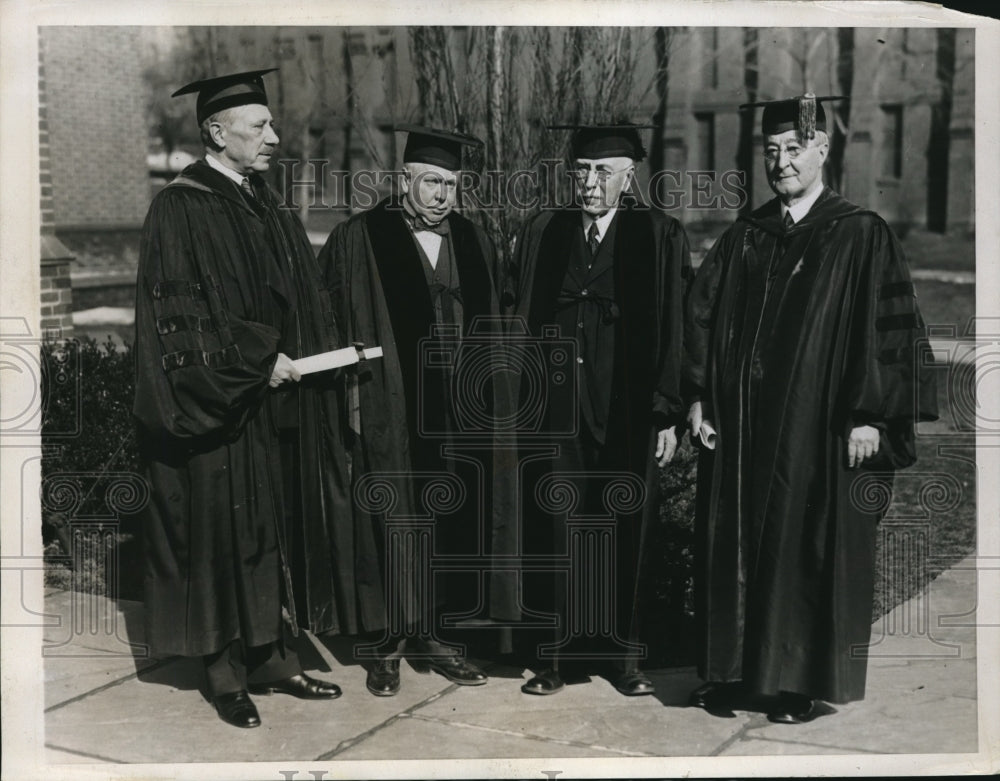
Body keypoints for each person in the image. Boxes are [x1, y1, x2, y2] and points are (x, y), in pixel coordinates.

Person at [684, 94, 938, 723]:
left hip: (816, 431)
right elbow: (700, 321)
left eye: (794, 149)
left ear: (824, 150)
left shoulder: (859, 233)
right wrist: (696, 398)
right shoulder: (747, 234)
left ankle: (797, 684)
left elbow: (891, 336)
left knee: (806, 546)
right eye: (771, 151)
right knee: (738, 548)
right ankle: (738, 675)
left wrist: (871, 416)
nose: (781, 162)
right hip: (740, 432)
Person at [133, 69, 342, 729]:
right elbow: (183, 322)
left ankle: (272, 654)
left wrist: (314, 354)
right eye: (260, 127)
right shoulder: (180, 206)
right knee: (219, 533)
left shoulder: (262, 197)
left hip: (270, 402)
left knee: (265, 530)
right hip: (216, 407)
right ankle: (224, 674)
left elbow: (297, 293)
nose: (274, 137)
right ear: (217, 132)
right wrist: (256, 362)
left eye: (272, 125)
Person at [318, 125, 511, 696]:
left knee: (450, 517)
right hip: (391, 403)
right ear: (404, 180)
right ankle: (386, 645)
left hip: (460, 409)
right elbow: (324, 312)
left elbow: (501, 318)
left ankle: (440, 638)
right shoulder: (361, 237)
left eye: (451, 184)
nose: (441, 195)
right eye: (430, 181)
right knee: (396, 517)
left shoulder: (474, 241)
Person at [512, 123, 690, 696]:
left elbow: (675, 328)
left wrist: (665, 411)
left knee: (625, 529)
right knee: (556, 530)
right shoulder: (547, 229)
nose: (589, 183)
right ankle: (553, 659)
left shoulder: (658, 234)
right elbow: (519, 317)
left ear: (629, 176)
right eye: (582, 171)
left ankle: (624, 660)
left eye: (603, 172)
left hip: (627, 409)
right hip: (556, 410)